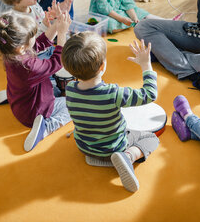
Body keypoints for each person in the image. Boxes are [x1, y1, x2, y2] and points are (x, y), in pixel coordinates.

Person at [61, 33, 159, 192]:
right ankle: (128, 156)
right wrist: (146, 65)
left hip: (84, 146)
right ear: (102, 66)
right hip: (114, 147)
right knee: (151, 138)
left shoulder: (70, 89)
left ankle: (98, 158)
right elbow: (149, 94)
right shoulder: (114, 94)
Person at [0, 2, 72, 152]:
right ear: (22, 47)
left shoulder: (11, 52)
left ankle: (13, 95)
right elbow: (57, 62)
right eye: (31, 35)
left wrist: (57, 25)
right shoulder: (29, 67)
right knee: (72, 104)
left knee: (53, 87)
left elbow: (38, 44)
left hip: (20, 102)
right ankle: (46, 127)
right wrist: (62, 34)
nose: (34, 37)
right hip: (33, 113)